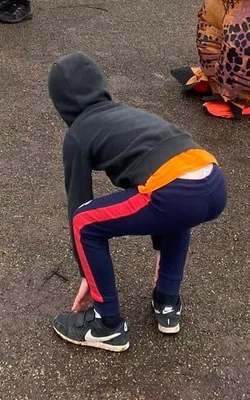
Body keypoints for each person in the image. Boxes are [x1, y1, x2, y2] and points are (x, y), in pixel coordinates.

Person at [47, 52, 227, 352]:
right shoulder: (126, 114)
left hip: (175, 191)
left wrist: (86, 274)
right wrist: (160, 248)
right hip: (211, 179)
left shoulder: (78, 134)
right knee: (174, 213)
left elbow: (78, 203)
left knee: (84, 223)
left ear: (61, 103)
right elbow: (158, 172)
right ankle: (167, 302)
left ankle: (107, 324)